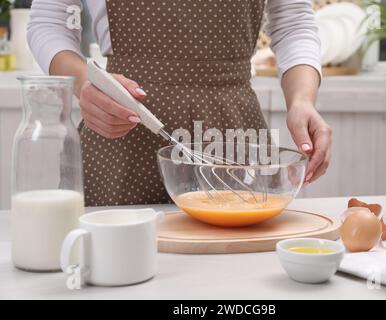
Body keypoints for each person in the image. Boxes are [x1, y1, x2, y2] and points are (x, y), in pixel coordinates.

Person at [28, 0, 331, 206]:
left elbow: (293, 25)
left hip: (233, 135)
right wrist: (84, 83)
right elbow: (50, 24)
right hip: (121, 126)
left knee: (238, 279)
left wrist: (301, 101)